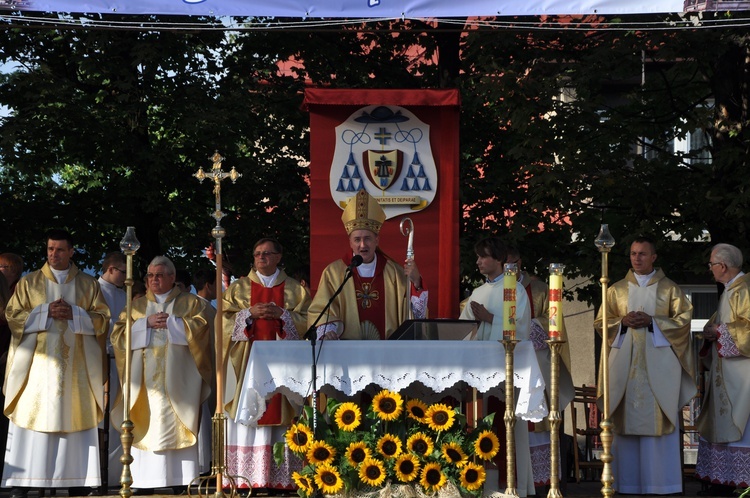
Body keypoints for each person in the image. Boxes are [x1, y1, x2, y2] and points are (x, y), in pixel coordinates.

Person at [2, 229, 110, 498]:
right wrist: (44, 312)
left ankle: (80, 479)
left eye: (60, 249)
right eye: (50, 249)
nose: (53, 254)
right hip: (38, 368)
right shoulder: (29, 283)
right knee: (33, 413)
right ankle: (24, 481)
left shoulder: (88, 284)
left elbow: (103, 319)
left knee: (76, 415)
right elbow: (12, 315)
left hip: (76, 371)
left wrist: (75, 313)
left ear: (71, 252)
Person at [593, 235, 695, 495]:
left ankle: (662, 484)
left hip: (659, 369)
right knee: (624, 422)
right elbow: (600, 323)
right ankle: (627, 483)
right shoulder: (615, 289)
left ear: (653, 257)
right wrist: (622, 323)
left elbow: (683, 321)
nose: (636, 258)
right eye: (633, 253)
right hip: (624, 368)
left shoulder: (669, 289)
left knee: (658, 423)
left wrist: (653, 321)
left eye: (642, 254)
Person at [110, 255, 212, 493]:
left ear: (172, 278)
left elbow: (202, 330)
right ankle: (145, 481)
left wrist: (174, 323)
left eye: (159, 275)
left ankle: (179, 479)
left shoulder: (192, 303)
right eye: (150, 276)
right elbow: (117, 337)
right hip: (144, 379)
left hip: (179, 378)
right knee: (145, 420)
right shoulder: (134, 306)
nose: (153, 280)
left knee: (174, 421)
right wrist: (144, 324)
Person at [222, 238, 311, 492]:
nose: (261, 258)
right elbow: (224, 321)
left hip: (283, 366)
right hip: (247, 364)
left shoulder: (295, 290)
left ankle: (282, 479)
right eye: (257, 253)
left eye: (267, 253)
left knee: (281, 412)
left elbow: (308, 321)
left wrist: (284, 316)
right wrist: (248, 314)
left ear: (278, 257)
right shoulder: (238, 289)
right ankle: (245, 478)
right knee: (250, 411)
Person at [459, 237, 535, 497]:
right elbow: (463, 331)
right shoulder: (477, 294)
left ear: (499, 259)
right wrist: (475, 325)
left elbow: (522, 329)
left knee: (505, 424)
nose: (478, 262)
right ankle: (481, 486)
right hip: (478, 371)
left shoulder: (515, 290)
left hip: (505, 371)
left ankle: (511, 485)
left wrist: (489, 318)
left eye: (484, 257)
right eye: (478, 257)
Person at [308, 189, 427, 340]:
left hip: (386, 353)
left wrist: (416, 282)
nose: (363, 245)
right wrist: (328, 331)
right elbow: (322, 310)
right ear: (350, 242)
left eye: (368, 238)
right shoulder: (334, 273)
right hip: (348, 353)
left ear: (377, 240)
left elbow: (414, 318)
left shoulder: (395, 273)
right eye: (357, 239)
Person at [505, 246, 574, 491]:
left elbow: (554, 321)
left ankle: (544, 483)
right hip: (507, 365)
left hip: (538, 362)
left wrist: (530, 324)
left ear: (520, 262)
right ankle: (515, 479)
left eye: (512, 264)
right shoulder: (495, 289)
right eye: (504, 265)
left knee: (539, 417)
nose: (509, 269)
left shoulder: (542, 290)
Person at [695, 243, 750, 494]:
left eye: (711, 265)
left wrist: (718, 331)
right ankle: (723, 481)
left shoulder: (745, 289)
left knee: (742, 424)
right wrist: (710, 331)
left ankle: (742, 483)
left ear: (723, 266)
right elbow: (721, 324)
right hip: (725, 372)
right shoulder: (729, 290)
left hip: (742, 376)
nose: (710, 269)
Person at [97, 251, 128, 488]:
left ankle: (116, 470)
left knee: (119, 414)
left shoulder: (122, 294)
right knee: (101, 416)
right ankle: (98, 472)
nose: (126, 277)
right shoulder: (94, 291)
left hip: (119, 359)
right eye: (123, 272)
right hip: (100, 359)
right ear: (110, 269)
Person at [193, 267, 217, 476]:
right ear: (208, 285)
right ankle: (204, 462)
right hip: (203, 367)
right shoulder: (203, 309)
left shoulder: (197, 307)